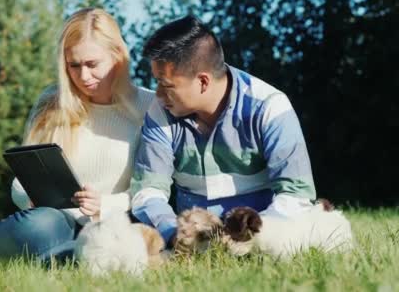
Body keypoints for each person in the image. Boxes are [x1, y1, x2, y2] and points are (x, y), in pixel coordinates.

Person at [0, 8, 154, 268]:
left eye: (92, 64)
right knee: (39, 223)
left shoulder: (149, 106)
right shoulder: (51, 103)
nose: (83, 76)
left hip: (119, 224)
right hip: (57, 223)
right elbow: (22, 179)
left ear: (118, 56)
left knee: (104, 246)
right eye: (73, 65)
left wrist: (105, 204)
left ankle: (63, 259)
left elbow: (156, 187)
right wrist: (28, 196)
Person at [129, 15, 317, 246]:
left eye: (166, 85)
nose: (157, 94)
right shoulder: (159, 111)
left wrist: (243, 237)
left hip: (261, 237)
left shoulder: (269, 106)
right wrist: (174, 234)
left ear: (203, 82)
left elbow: (296, 196)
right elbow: (147, 191)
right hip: (193, 243)